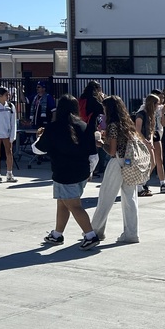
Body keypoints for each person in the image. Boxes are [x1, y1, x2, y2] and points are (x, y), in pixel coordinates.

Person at [33, 94, 97, 249]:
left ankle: (90, 235)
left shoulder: (54, 127)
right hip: (81, 172)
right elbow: (93, 155)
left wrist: (38, 137)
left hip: (63, 174)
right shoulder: (84, 126)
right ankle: (57, 234)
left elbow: (38, 150)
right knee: (62, 203)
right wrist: (90, 172)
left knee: (73, 205)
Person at [90, 95, 141, 245]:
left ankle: (96, 231)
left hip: (117, 163)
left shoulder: (113, 126)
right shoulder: (127, 124)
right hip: (130, 163)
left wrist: (100, 143)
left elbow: (112, 151)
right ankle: (131, 234)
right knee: (130, 199)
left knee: (105, 198)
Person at [134, 94, 163, 196]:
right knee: (147, 163)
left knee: (152, 163)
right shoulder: (140, 114)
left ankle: (141, 183)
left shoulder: (151, 115)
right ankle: (139, 185)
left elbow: (151, 130)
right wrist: (145, 141)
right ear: (153, 104)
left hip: (147, 140)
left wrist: (150, 140)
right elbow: (137, 131)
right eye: (157, 104)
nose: (159, 106)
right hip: (140, 142)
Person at [0, 87, 19, 182]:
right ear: (0, 96)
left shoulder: (10, 106)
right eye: (6, 95)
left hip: (7, 134)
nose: (8, 96)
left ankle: (9, 173)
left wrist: (12, 135)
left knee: (9, 153)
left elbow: (13, 121)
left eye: (8, 95)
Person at [79, 81, 105, 179]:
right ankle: (89, 172)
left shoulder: (82, 97)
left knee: (85, 150)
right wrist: (102, 98)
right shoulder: (93, 99)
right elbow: (103, 109)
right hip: (90, 127)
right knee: (93, 153)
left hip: (81, 126)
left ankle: (85, 170)